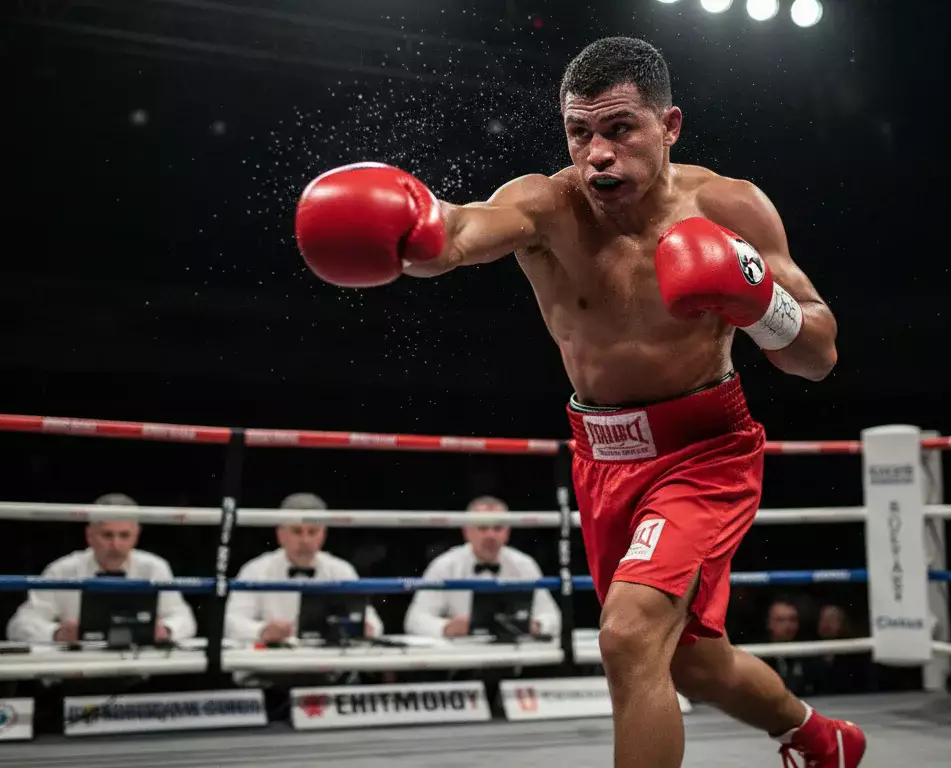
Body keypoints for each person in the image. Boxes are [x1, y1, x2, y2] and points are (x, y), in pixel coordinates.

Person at [293, 35, 861, 768]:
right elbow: (462, 231)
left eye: (620, 128)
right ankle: (820, 740)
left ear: (670, 125)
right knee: (684, 661)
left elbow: (818, 355)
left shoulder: (729, 205)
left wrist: (757, 299)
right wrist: (421, 232)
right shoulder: (547, 205)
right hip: (602, 459)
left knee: (628, 635)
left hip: (703, 454)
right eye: (579, 131)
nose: (597, 153)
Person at [6, 493, 197, 643]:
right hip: (76, 670)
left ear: (136, 535)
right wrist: (56, 633)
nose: (116, 544)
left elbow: (184, 619)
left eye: (124, 535)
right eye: (107, 535)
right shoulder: (62, 570)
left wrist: (166, 629)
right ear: (90, 535)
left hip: (136, 670)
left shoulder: (154, 567)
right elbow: (20, 624)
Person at [225, 492, 383, 642]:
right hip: (269, 664)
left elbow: (373, 622)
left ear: (324, 534)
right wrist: (262, 631)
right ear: (280, 534)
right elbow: (231, 621)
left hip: (325, 664)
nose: (305, 540)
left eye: (313, 532)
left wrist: (367, 629)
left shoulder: (341, 570)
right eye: (297, 531)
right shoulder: (255, 570)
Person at [404, 496, 561, 639]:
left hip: (513, 656)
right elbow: (415, 620)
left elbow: (553, 617)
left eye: (498, 528)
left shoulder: (524, 564)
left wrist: (536, 625)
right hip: (461, 658)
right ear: (466, 531)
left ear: (508, 532)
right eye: (483, 528)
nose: (491, 535)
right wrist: (448, 627)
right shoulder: (445, 565)